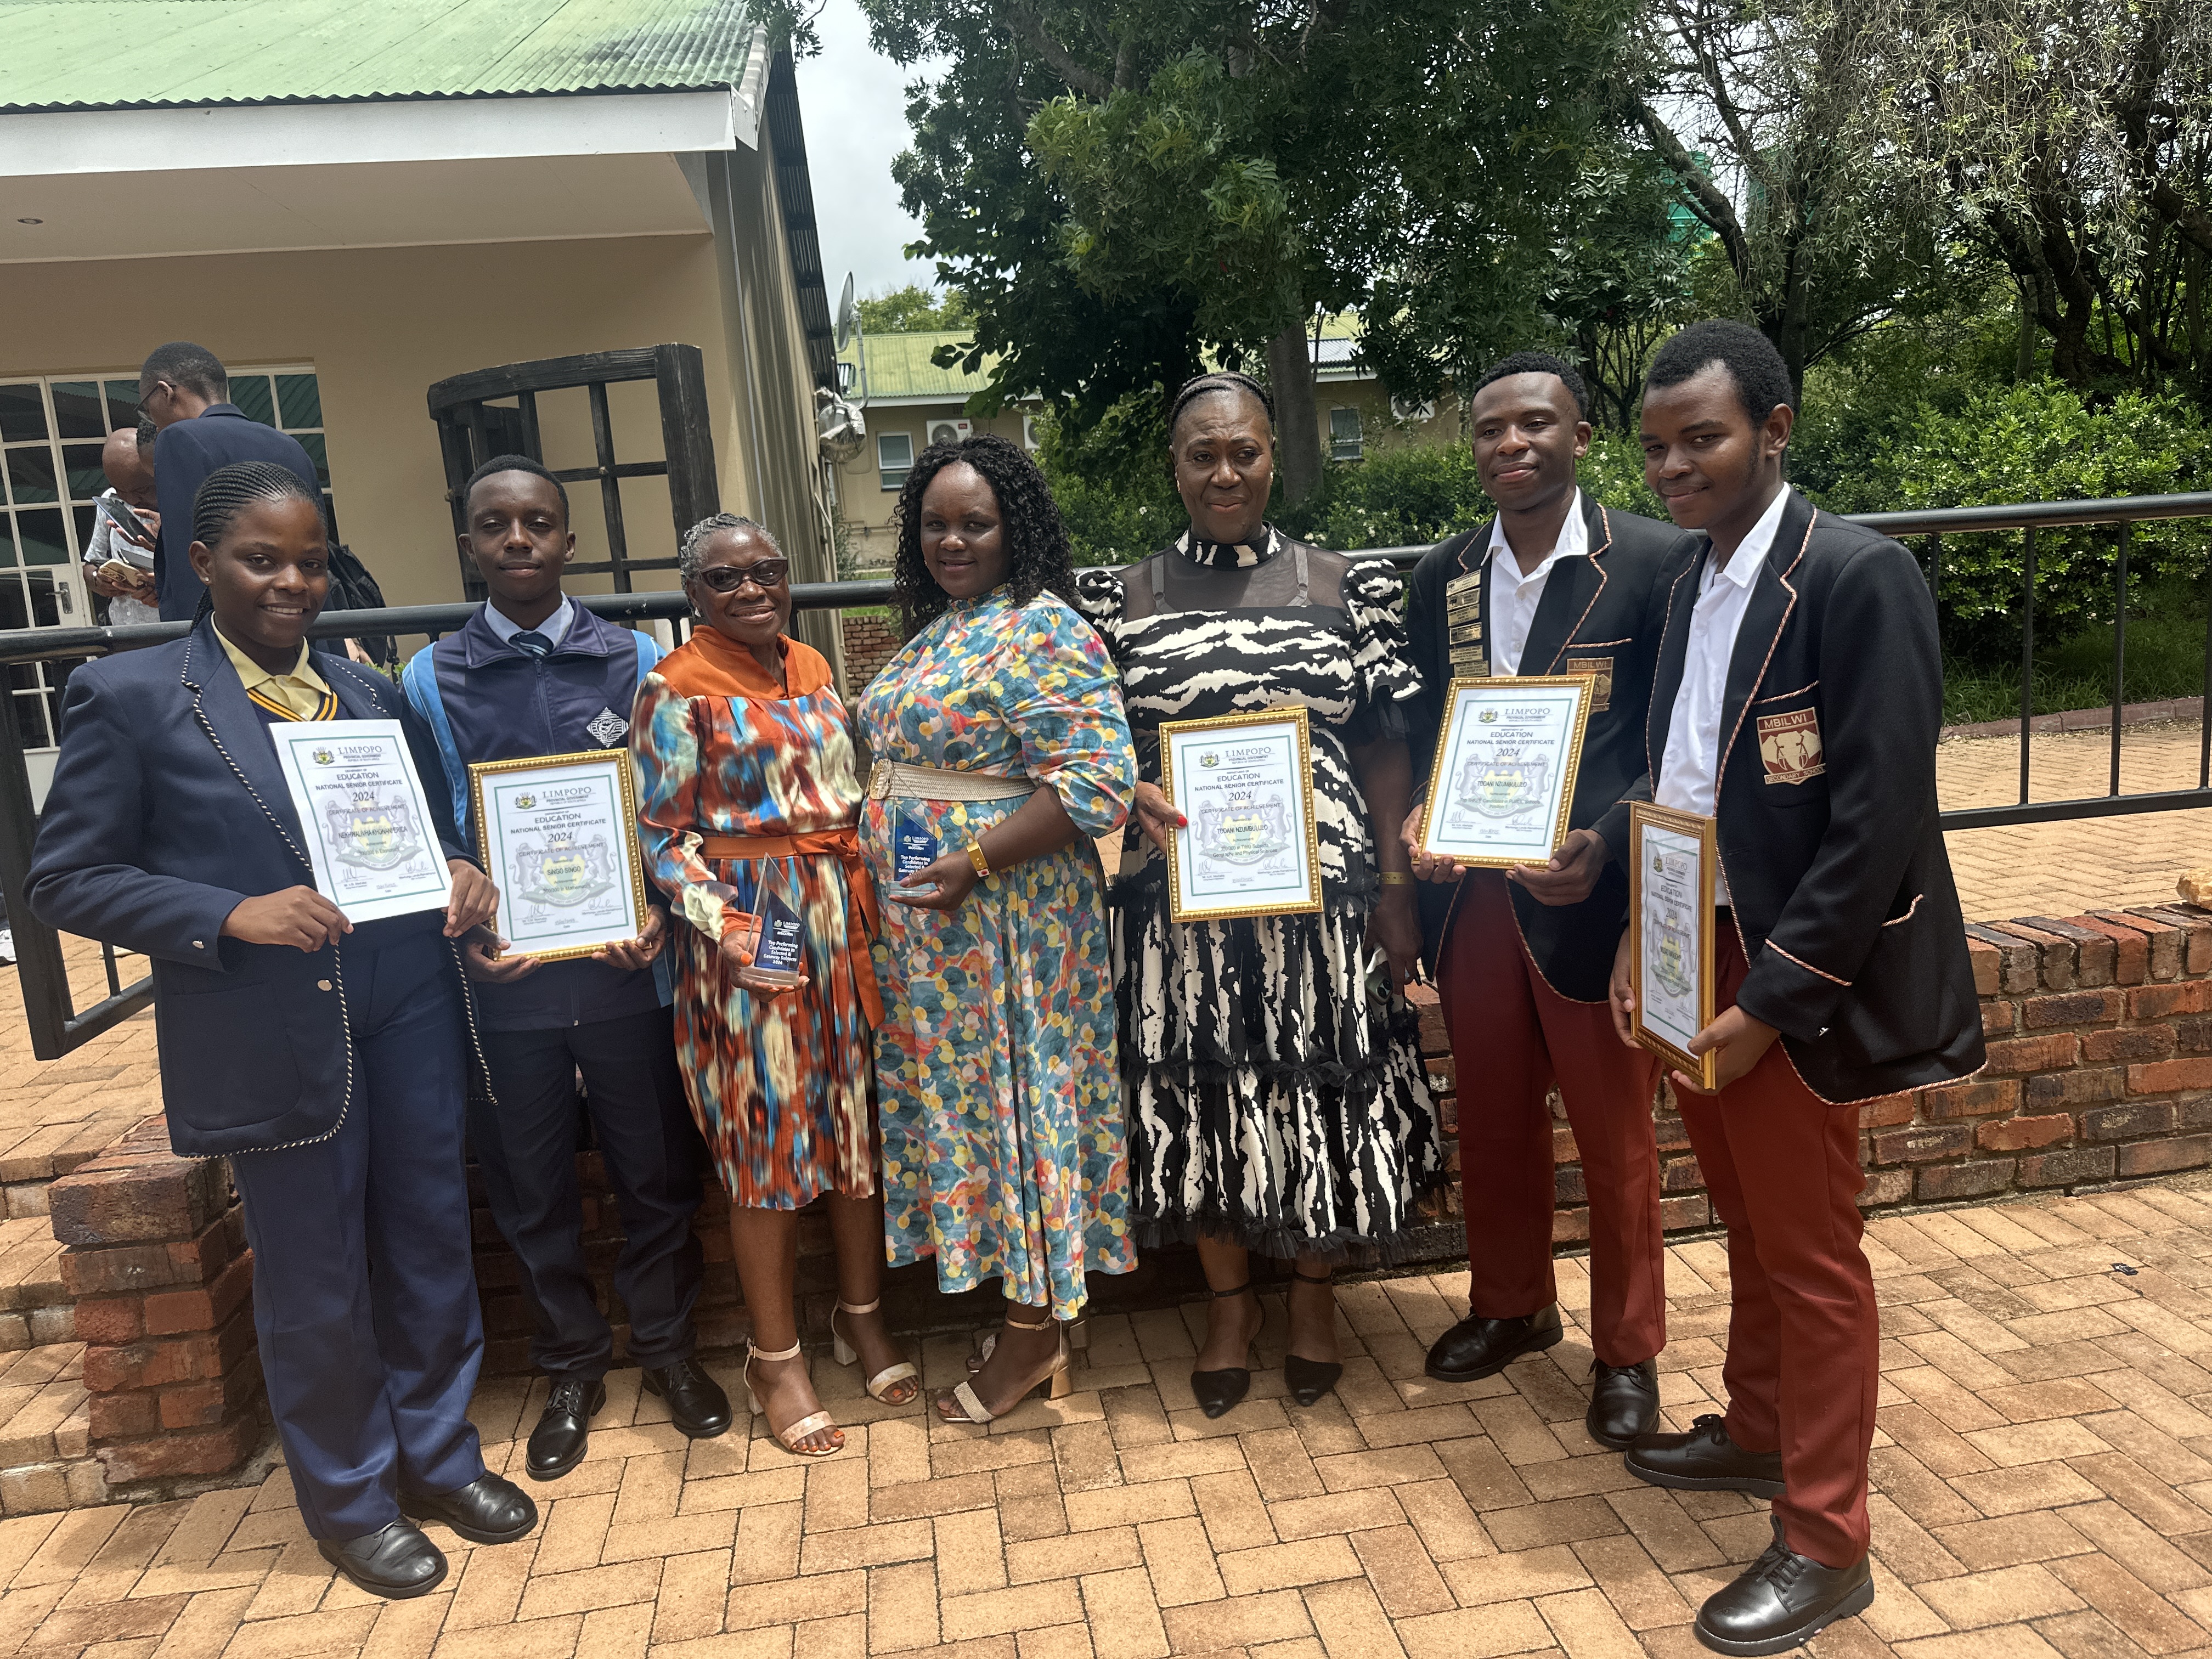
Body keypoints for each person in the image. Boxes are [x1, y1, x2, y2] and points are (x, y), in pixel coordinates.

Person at [25, 461, 535, 1600]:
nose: (293, 582)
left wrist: (461, 870)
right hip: (270, 1022)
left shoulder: (368, 694)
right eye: (264, 560)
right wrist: (226, 912)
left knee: (429, 1241)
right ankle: (351, 1498)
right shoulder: (135, 695)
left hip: (408, 1004)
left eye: (309, 561)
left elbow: (431, 832)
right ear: (201, 563)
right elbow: (65, 878)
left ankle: (439, 1454)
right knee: (315, 1275)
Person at [1599, 321, 1985, 1654]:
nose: (1673, 467)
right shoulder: (1687, 581)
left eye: (1700, 439)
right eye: (1655, 447)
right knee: (1749, 1220)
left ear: (1775, 429)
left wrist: (1773, 1001)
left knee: (1813, 1252)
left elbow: (1879, 819)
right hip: (1688, 941)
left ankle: (1827, 1540)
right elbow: (1676, 772)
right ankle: (1759, 1430)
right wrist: (1635, 935)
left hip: (1788, 969)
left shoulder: (1859, 578)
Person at [1073, 372, 1439, 1420]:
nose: (1224, 471)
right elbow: (1085, 745)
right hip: (1173, 904)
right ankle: (1229, 1307)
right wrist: (1121, 784)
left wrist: (1395, 885)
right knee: (1200, 1097)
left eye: (1244, 451)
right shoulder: (1119, 596)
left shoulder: (1344, 583)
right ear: (1175, 466)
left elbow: (1383, 747)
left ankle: (1313, 1296)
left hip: (1322, 902)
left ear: (1273, 456)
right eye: (1202, 454)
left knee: (1317, 1087)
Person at [398, 455, 729, 1480]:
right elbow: (427, 828)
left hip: (631, 972)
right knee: (530, 1186)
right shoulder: (430, 677)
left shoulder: (638, 658)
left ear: (568, 539)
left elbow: (678, 807)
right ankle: (573, 1365)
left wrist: (660, 910)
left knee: (656, 1173)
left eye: (537, 522)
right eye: (495, 524)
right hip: (507, 987)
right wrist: (461, 899)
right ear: (469, 542)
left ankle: (669, 1349)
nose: (518, 539)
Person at [1400, 352, 1695, 1448]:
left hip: (1593, 898)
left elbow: (1681, 739)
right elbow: (1430, 727)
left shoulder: (1655, 561)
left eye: (1534, 423)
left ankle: (1628, 1348)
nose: (1511, 444)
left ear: (1579, 436)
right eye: (1490, 429)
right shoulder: (1443, 574)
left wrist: (1605, 845)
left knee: (1615, 1134)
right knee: (1492, 1114)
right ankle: (1513, 1302)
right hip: (1473, 897)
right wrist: (1424, 810)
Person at [857, 433, 1137, 1425]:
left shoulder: (1043, 628)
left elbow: (1097, 782)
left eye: (975, 522)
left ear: (1014, 527)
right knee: (980, 1111)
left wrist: (974, 861)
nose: (952, 540)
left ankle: (1032, 1335)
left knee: (1023, 1107)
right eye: (934, 523)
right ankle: (1033, 1310)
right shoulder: (944, 628)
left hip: (1010, 924)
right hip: (938, 939)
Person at [632, 511, 920, 1457]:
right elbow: (661, 840)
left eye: (766, 570)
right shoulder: (674, 687)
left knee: (853, 1128)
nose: (751, 589)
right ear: (694, 594)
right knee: (766, 1140)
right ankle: (775, 1355)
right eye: (725, 578)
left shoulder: (815, 666)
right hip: (752, 932)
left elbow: (851, 796)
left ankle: (860, 1315)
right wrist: (734, 928)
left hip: (840, 922)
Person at [138, 341, 320, 621]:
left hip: (230, 631)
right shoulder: (290, 446)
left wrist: (191, 638)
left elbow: (188, 565)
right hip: (299, 619)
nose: (153, 420)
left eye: (147, 409)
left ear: (165, 392)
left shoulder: (178, 439)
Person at [82, 425, 162, 627]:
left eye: (142, 490)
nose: (131, 500)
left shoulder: (184, 503)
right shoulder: (111, 500)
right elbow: (91, 563)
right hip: (122, 630)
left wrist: (166, 590)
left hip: (172, 630)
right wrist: (99, 581)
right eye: (121, 490)